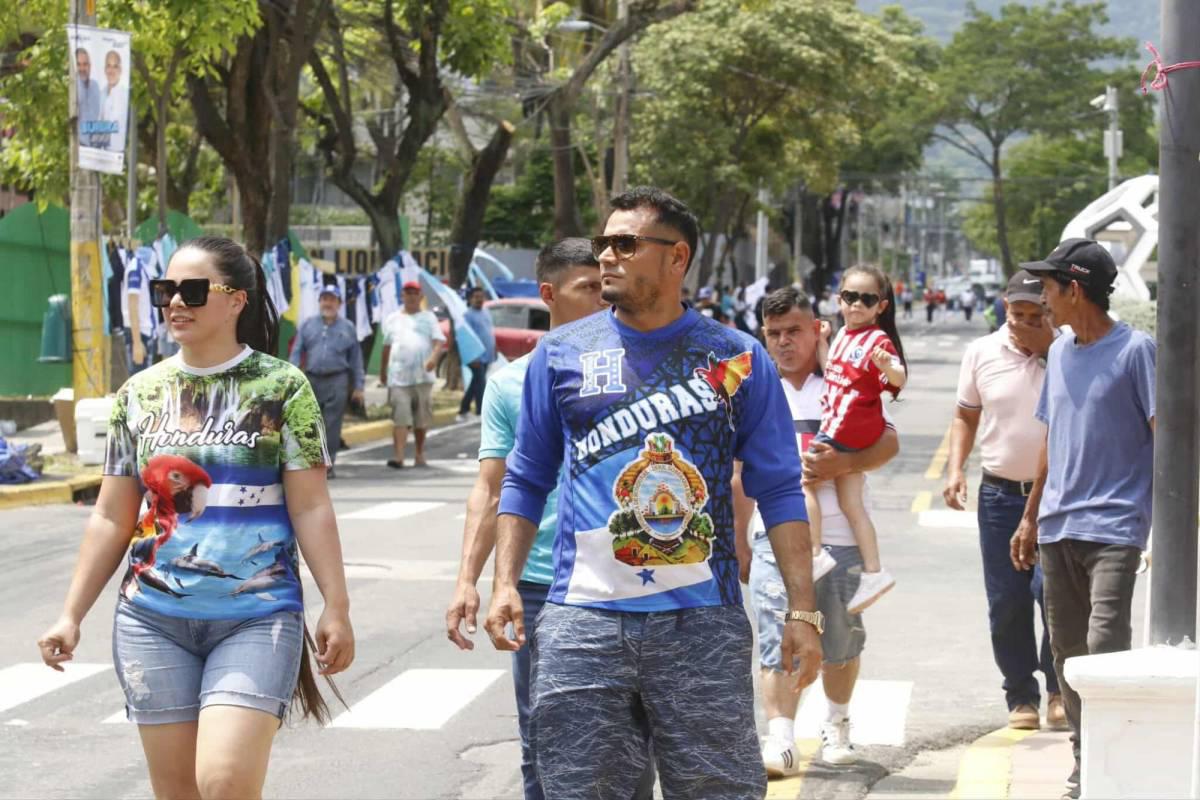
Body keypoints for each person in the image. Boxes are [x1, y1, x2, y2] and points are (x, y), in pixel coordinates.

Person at [485, 186, 822, 799]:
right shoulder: (559, 356)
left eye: (624, 244)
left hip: (701, 625)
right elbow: (526, 476)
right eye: (602, 244)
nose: (607, 257)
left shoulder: (735, 358)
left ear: (676, 257)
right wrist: (504, 581)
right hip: (581, 624)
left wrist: (801, 610)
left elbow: (778, 489)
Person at [36, 236, 354, 800]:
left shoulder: (283, 388)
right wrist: (70, 614)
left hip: (256, 615)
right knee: (179, 792)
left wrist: (337, 603)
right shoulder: (140, 394)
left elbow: (310, 505)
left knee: (224, 782)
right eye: (165, 291)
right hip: (151, 620)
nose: (174, 302)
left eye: (192, 290)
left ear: (236, 300)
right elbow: (112, 515)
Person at [445, 239, 656, 800]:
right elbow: (491, 488)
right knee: (544, 741)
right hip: (543, 587)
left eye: (606, 286)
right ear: (549, 295)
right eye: (588, 288)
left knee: (634, 747)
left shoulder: (638, 374)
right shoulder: (510, 383)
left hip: (630, 579)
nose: (603, 298)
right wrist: (475, 580)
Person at [1011, 238, 1155, 800]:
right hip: (1057, 528)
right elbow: (1052, 436)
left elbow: (1164, 433)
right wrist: (1029, 517)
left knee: (1104, 648)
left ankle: (1111, 760)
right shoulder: (1063, 351)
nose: (1042, 301)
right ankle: (1084, 758)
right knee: (1068, 657)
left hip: (1116, 530)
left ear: (1075, 290)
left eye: (1048, 289)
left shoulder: (1136, 351)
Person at [735, 286, 900, 775]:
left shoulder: (847, 380)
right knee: (774, 636)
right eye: (774, 334)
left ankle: (837, 722)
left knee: (841, 643)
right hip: (774, 536)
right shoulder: (754, 388)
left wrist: (842, 463)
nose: (784, 342)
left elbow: (888, 443)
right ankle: (781, 738)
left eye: (794, 331)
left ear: (816, 330)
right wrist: (739, 540)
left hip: (842, 539)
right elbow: (739, 471)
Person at [946, 270, 1066, 732]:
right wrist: (956, 468)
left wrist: (1049, 348)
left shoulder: (1067, 351)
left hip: (1057, 496)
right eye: (1018, 314)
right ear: (1004, 307)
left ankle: (1058, 688)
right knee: (1007, 601)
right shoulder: (981, 353)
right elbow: (964, 417)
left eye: (1037, 315)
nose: (1025, 323)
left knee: (1051, 593)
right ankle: (1021, 694)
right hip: (999, 495)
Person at [806, 265, 906, 613]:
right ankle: (874, 571)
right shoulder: (844, 338)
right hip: (848, 430)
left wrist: (887, 366)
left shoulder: (876, 339)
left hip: (844, 427)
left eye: (867, 299)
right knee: (852, 505)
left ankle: (815, 553)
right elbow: (831, 368)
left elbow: (898, 375)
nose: (857, 305)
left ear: (881, 306)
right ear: (839, 300)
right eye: (850, 297)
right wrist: (821, 342)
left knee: (803, 481)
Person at [290, 284, 365, 478]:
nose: (328, 303)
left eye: (332, 299)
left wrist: (359, 386)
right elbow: (297, 351)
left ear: (339, 303)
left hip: (338, 379)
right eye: (324, 299)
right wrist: (293, 374)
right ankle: (310, 462)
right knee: (310, 422)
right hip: (312, 379)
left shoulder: (348, 327)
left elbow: (356, 359)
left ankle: (328, 464)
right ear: (319, 301)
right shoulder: (308, 325)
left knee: (332, 424)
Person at [380, 280, 446, 469]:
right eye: (407, 293)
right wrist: (383, 372)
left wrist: (433, 359)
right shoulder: (393, 319)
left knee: (420, 418)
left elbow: (438, 342)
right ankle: (399, 456)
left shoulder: (429, 318)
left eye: (414, 293)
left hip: (423, 377)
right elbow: (386, 347)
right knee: (401, 416)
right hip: (398, 377)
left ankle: (419, 453)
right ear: (402, 296)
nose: (410, 296)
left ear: (420, 297)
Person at [458, 287, 496, 421]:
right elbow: (466, 338)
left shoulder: (486, 312)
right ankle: (480, 412)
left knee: (476, 383)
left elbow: (489, 333)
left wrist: (494, 351)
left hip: (486, 356)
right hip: (475, 356)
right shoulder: (467, 315)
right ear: (470, 299)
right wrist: (472, 356)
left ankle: (463, 410)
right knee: (480, 383)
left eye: (481, 296)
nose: (479, 299)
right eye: (476, 297)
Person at [99, 50, 126, 151]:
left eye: (115, 66)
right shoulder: (101, 94)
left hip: (116, 153)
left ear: (120, 70)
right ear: (105, 69)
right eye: (108, 66)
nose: (111, 71)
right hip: (100, 151)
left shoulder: (124, 95)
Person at [74, 48, 101, 146]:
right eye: (79, 64)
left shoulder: (95, 86)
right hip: (77, 143)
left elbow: (97, 114)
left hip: (93, 143)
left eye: (85, 64)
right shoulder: (73, 86)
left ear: (90, 66)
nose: (82, 68)